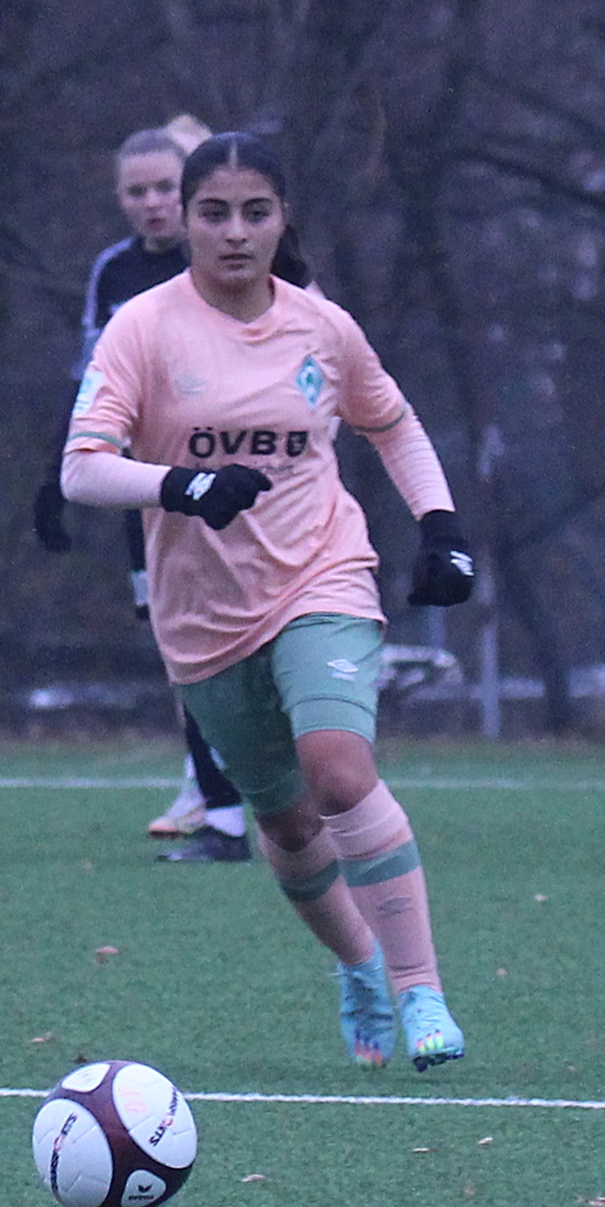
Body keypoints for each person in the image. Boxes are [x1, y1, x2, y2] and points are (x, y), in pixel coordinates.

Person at [62, 131, 479, 1070]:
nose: (235, 233)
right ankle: (360, 965)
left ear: (284, 219)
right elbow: (81, 470)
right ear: (187, 222)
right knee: (287, 824)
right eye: (214, 213)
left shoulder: (321, 328)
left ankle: (421, 991)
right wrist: (184, 486)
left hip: (321, 577)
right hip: (203, 622)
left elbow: (392, 423)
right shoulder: (143, 328)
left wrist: (441, 524)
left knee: (338, 772)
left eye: (256, 213)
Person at [33, 118, 256, 863]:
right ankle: (214, 793)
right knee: (178, 642)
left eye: (165, 187)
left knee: (242, 639)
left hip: (229, 484)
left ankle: (248, 783)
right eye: (137, 192)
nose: (152, 203)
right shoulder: (114, 272)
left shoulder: (226, 260)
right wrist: (57, 471)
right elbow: (92, 377)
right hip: (149, 490)